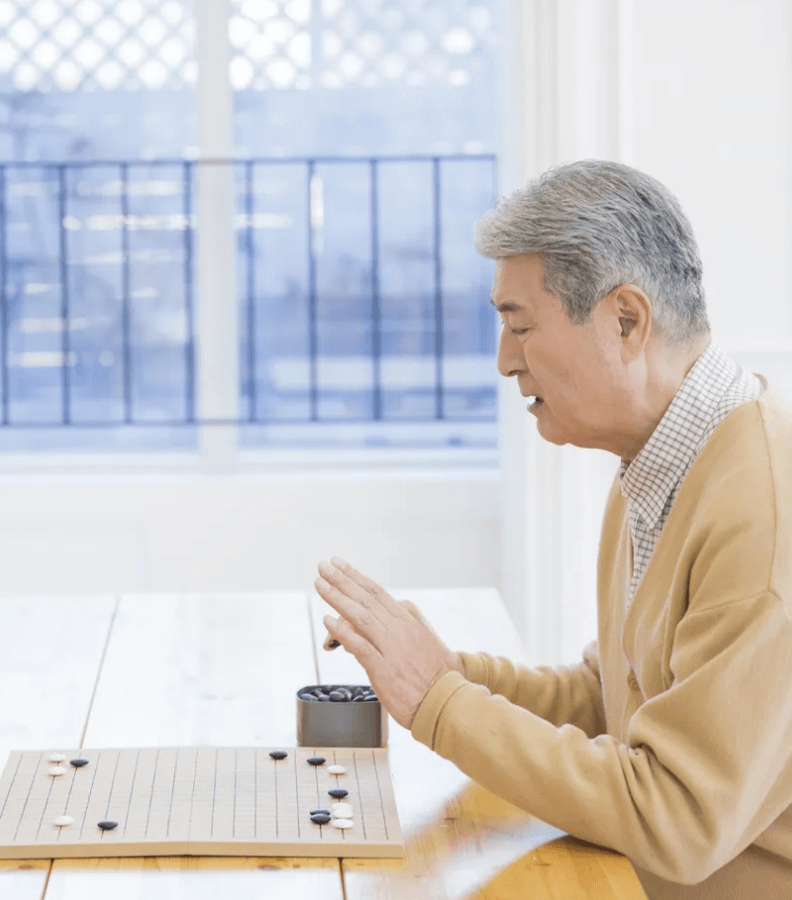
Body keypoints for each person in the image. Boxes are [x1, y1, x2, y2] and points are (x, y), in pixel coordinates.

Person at [316, 160, 792, 899]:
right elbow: (614, 704)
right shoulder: (663, 459)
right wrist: (447, 672)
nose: (507, 361)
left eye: (521, 325)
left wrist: (437, 700)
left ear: (626, 320)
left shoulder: (761, 510)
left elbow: (678, 819)